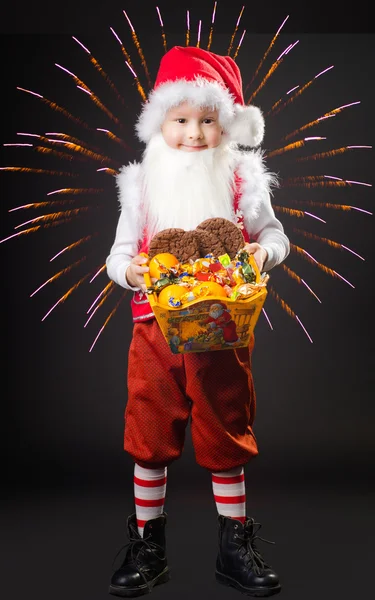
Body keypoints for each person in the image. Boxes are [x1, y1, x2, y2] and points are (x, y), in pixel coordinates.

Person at [106, 45, 290, 598]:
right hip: (154, 330)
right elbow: (116, 257)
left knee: (226, 431)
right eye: (181, 120)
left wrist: (262, 255)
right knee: (149, 432)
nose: (193, 133)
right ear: (159, 122)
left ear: (226, 124)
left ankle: (234, 546)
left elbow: (275, 236)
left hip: (224, 332)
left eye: (208, 121)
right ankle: (148, 546)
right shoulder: (140, 187)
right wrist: (132, 273)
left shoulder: (241, 182)